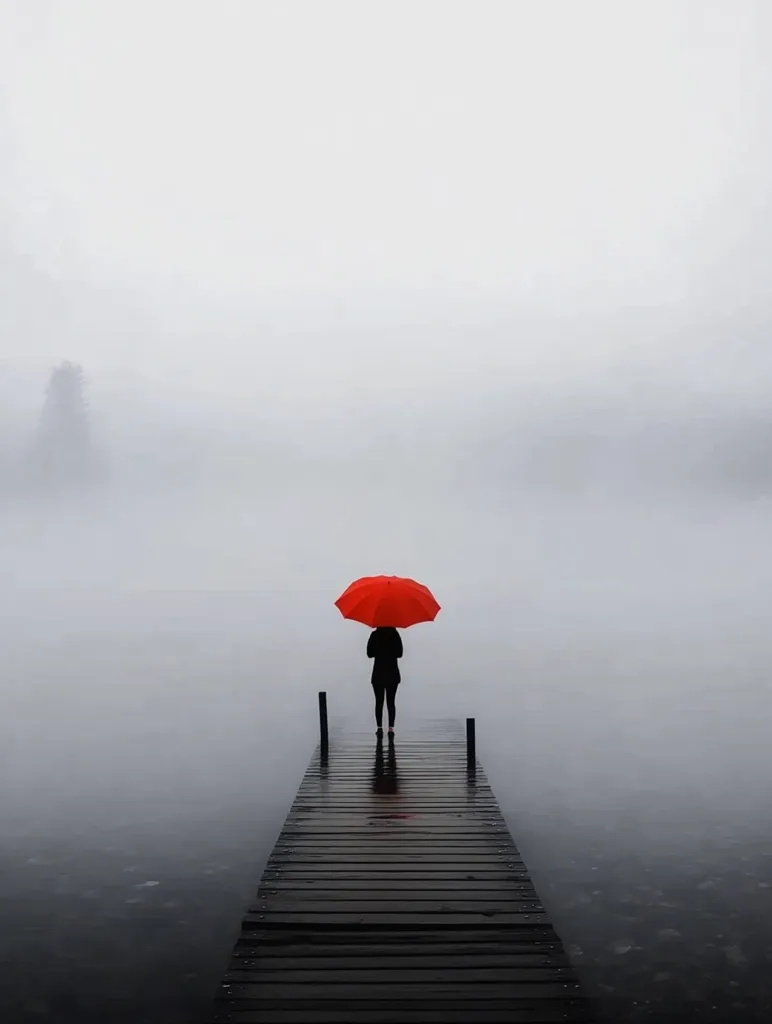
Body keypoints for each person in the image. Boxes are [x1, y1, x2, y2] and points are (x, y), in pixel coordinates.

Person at [366, 625, 403, 737]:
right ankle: (391, 729)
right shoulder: (395, 635)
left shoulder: (375, 635)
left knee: (379, 702)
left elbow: (369, 654)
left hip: (378, 673)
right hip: (392, 673)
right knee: (391, 702)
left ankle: (379, 728)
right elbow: (400, 654)